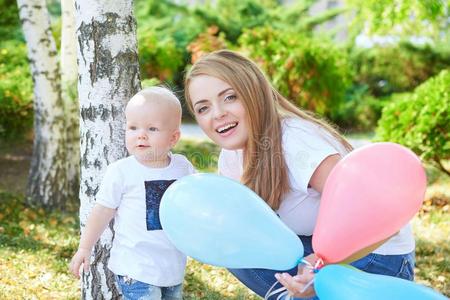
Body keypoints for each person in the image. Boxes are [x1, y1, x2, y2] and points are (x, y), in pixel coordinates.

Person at [184, 50, 415, 299]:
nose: (217, 113)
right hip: (319, 250)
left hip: (376, 260)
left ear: (255, 93)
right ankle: (295, 292)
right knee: (231, 239)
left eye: (229, 97)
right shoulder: (231, 158)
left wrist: (319, 266)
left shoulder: (295, 141)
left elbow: (382, 216)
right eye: (203, 108)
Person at [69, 87, 196, 300]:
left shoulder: (183, 168)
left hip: (172, 268)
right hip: (136, 268)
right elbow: (102, 211)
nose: (141, 135)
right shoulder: (122, 171)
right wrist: (84, 248)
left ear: (173, 138)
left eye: (152, 129)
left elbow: (197, 201)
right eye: (133, 127)